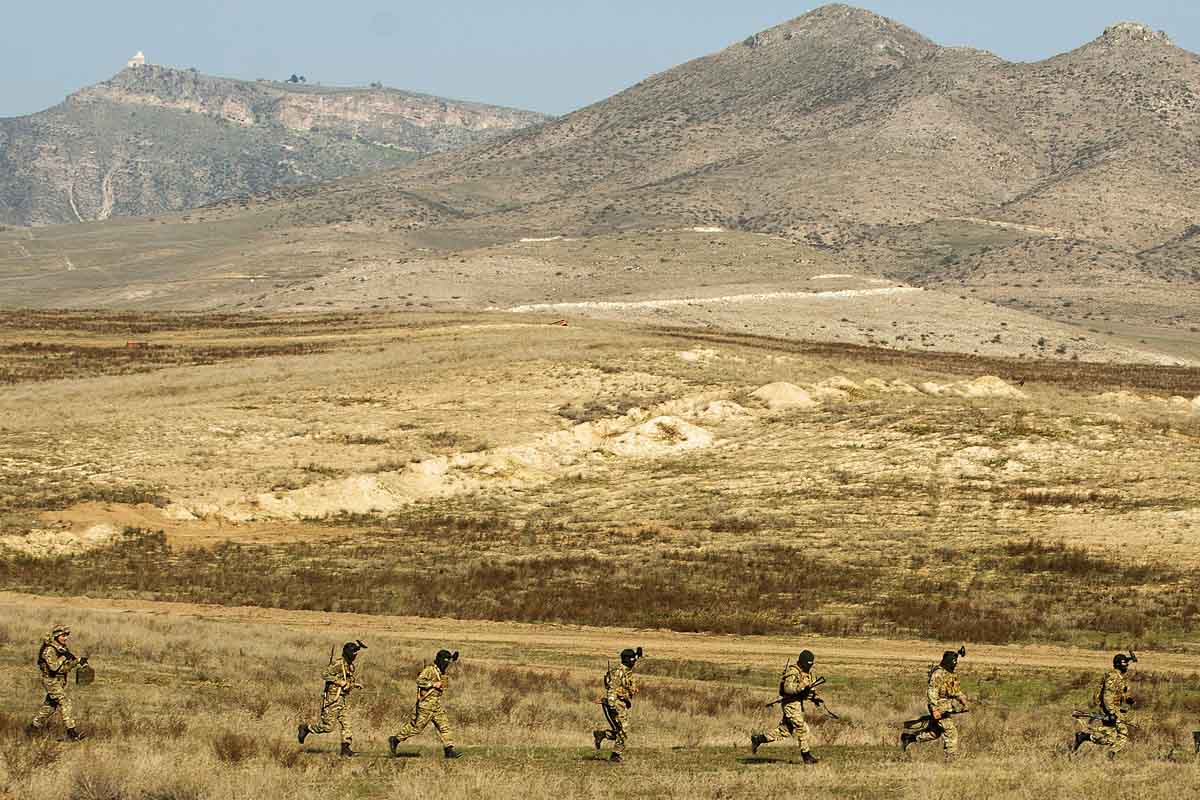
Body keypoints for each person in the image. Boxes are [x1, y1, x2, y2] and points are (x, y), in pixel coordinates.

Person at [751, 649, 823, 764]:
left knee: (784, 731)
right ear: (801, 662)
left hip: (798, 704)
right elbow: (787, 688)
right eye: (807, 664)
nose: (808, 667)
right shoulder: (793, 672)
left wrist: (814, 697)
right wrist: (800, 687)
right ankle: (806, 756)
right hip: (790, 705)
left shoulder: (807, 673)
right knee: (802, 728)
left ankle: (759, 739)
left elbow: (808, 690)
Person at [389, 649, 462, 759]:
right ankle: (395, 739)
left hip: (436, 705)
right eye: (446, 661)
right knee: (416, 728)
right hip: (426, 705)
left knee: (444, 726)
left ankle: (449, 750)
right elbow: (419, 681)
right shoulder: (430, 670)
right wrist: (433, 684)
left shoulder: (441, 671)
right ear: (440, 661)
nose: (447, 664)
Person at [298, 640, 366, 756]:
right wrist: (340, 682)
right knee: (328, 727)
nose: (355, 656)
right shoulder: (338, 664)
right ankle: (307, 728)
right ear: (348, 653)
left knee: (347, 724)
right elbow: (325, 674)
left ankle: (345, 750)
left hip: (342, 699)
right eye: (353, 653)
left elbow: (346, 680)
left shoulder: (348, 665)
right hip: (333, 699)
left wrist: (354, 685)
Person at [901, 649, 969, 758]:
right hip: (938, 706)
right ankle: (951, 759)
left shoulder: (950, 674)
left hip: (947, 707)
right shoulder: (938, 673)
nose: (955, 664)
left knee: (935, 733)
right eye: (953, 662)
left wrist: (962, 699)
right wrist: (934, 709)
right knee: (951, 732)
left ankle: (909, 738)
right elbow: (932, 691)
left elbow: (955, 690)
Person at [29, 624, 87, 740]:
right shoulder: (49, 650)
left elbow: (63, 669)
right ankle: (72, 733)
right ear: (56, 636)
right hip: (50, 681)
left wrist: (78, 661)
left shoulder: (62, 649)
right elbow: (54, 667)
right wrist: (64, 657)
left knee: (49, 707)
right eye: (63, 636)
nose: (65, 638)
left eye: (66, 636)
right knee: (65, 702)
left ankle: (32, 729)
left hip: (59, 681)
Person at [1072, 652, 1135, 759]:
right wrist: (1111, 712)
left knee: (1111, 736)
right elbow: (1107, 696)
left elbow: (1119, 693)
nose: (1127, 667)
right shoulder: (1113, 677)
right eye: (1125, 664)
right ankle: (1111, 755)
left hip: (1113, 709)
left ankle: (1084, 737)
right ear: (1120, 665)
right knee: (1123, 735)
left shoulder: (1119, 677)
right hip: (1111, 710)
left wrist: (1127, 699)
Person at [593, 647, 642, 763]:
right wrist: (611, 706)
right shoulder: (618, 672)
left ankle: (601, 734)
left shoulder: (626, 671)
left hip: (622, 704)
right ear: (628, 660)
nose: (635, 662)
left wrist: (638, 654)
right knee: (624, 729)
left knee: (620, 731)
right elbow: (612, 689)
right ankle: (616, 755)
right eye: (633, 660)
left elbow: (634, 659)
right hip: (616, 704)